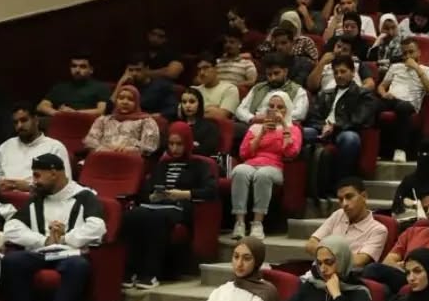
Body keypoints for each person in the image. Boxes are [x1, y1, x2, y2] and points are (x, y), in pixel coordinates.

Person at [0, 154, 107, 301]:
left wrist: (66, 238)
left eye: (37, 175)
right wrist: (44, 239)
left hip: (70, 252)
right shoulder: (37, 199)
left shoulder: (85, 196)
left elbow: (97, 227)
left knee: (77, 266)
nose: (34, 181)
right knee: (11, 261)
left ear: (54, 173)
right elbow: (11, 228)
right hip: (41, 251)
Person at [120, 122, 216, 287]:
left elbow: (210, 190)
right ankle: (131, 272)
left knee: (156, 219)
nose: (174, 148)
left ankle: (150, 274)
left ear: (187, 143)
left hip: (179, 207)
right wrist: (152, 196)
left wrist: (182, 194)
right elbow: (146, 190)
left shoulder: (200, 165)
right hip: (156, 205)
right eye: (171, 144)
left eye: (179, 144)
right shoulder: (162, 165)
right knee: (131, 216)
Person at [230, 91, 302, 239]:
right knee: (239, 170)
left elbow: (291, 153)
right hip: (252, 163)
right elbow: (244, 153)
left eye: (280, 107)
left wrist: (283, 125)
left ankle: (257, 223)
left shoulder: (293, 129)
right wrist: (262, 132)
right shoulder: (255, 128)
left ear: (287, 109)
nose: (275, 110)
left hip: (274, 167)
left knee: (262, 175)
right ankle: (239, 222)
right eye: (271, 106)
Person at [303, 55, 377, 192]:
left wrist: (334, 127)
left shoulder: (364, 95)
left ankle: (341, 184)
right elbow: (313, 117)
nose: (339, 75)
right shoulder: (325, 94)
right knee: (301, 133)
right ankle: (303, 184)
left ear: (353, 72)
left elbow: (359, 119)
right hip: (321, 129)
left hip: (343, 131)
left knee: (350, 138)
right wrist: (323, 127)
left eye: (343, 71)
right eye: (336, 72)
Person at [306, 177, 388, 268]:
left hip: (344, 275)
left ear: (364, 196)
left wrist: (325, 256)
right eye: (341, 199)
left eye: (349, 197)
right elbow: (311, 244)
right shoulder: (338, 214)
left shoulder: (378, 230)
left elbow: (359, 261)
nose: (344, 204)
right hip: (316, 271)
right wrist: (333, 258)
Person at [0, 104, 71, 192]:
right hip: (5, 197)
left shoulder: (55, 147)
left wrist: (30, 187)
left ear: (36, 120)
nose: (19, 126)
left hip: (39, 197)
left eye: (24, 120)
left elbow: (64, 184)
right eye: (16, 122)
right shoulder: (5, 146)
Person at [83, 84, 160, 156]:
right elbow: (90, 141)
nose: (125, 102)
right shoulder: (103, 120)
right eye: (121, 98)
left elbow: (150, 146)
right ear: (116, 101)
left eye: (130, 99)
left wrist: (130, 149)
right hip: (103, 156)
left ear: (137, 102)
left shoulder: (146, 121)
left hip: (130, 158)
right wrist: (105, 150)